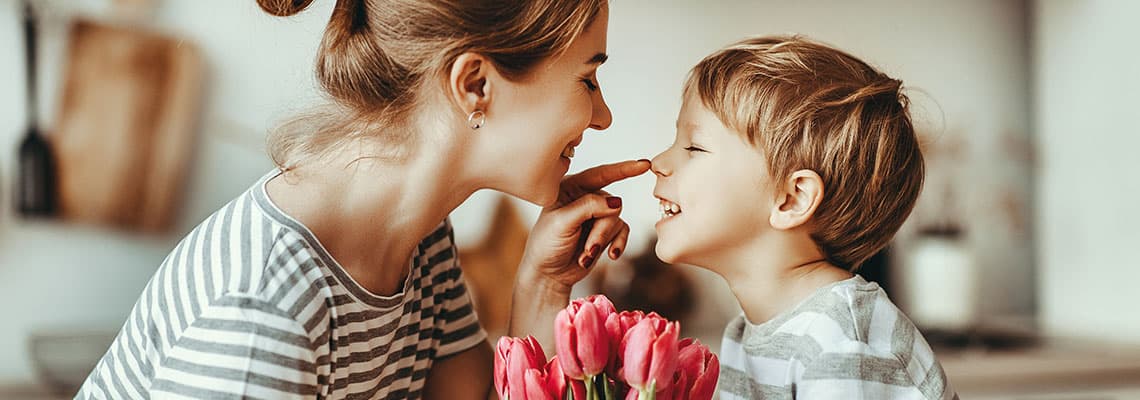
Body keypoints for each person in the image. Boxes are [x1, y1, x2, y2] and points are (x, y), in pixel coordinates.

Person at [76, 0, 649, 398]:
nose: (602, 117)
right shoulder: (263, 309)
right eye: (587, 81)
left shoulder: (421, 238)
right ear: (475, 84)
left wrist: (544, 285)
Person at [648, 35, 957, 399]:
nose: (658, 163)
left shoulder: (840, 339)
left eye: (694, 147)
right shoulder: (745, 333)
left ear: (792, 199)